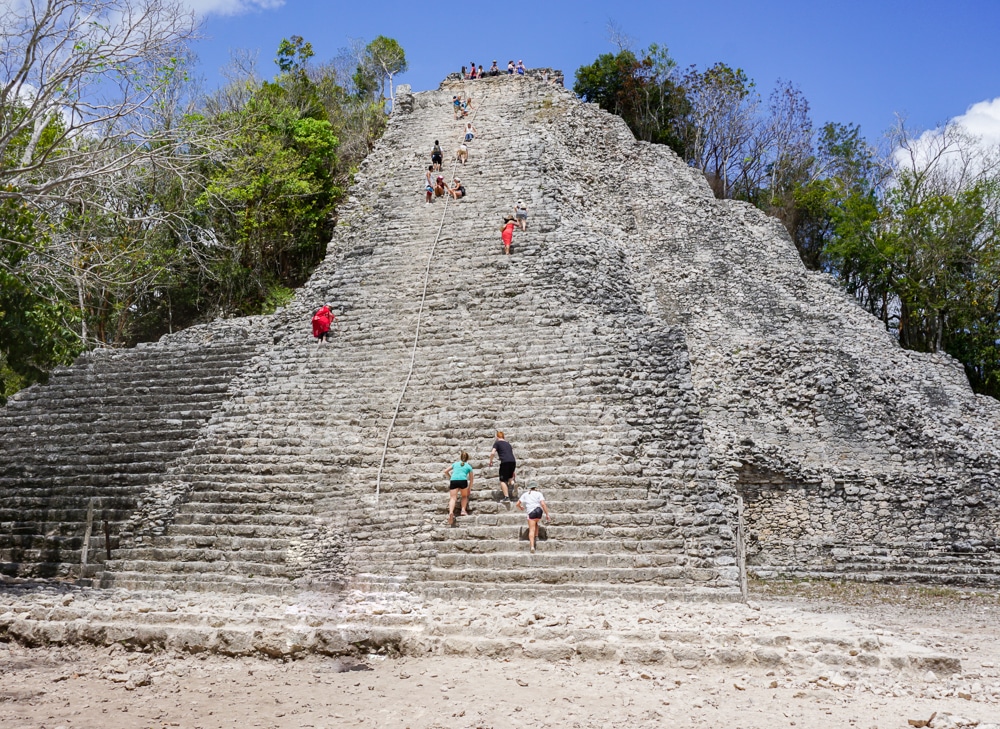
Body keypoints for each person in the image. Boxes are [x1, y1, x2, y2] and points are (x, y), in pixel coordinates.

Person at [516, 482, 550, 553]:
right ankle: (536, 536)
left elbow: (517, 504)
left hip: (531, 512)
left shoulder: (525, 494)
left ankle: (532, 546)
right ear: (536, 487)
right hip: (539, 511)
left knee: (531, 529)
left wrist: (521, 507)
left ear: (529, 488)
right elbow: (543, 504)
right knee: (536, 523)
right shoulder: (539, 494)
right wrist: (547, 514)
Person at [444, 451, 474, 525]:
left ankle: (451, 512)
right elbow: (471, 479)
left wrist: (450, 477)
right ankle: (463, 510)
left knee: (453, 498)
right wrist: (469, 488)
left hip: (454, 480)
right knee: (464, 496)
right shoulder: (468, 466)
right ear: (467, 459)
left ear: (460, 457)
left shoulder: (455, 464)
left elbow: (445, 471)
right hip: (463, 481)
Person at [488, 430, 516, 501]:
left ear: (497, 437)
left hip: (505, 462)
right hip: (513, 461)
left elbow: (492, 453)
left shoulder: (497, 443)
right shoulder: (508, 444)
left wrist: (490, 461)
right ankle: (513, 484)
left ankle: (506, 497)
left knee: (502, 480)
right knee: (510, 478)